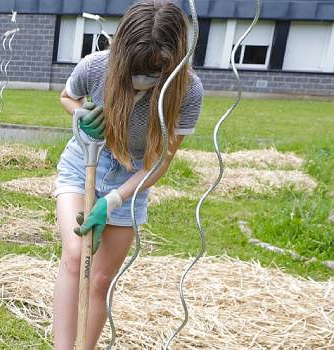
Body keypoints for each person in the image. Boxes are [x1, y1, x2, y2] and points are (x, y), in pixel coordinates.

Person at [51, 0, 204, 348]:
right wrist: (82, 114)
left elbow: (161, 160)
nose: (143, 78)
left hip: (133, 179)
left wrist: (114, 200)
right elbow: (67, 96)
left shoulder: (188, 90)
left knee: (101, 277)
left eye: (155, 70)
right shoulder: (96, 67)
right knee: (77, 257)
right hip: (85, 163)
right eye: (137, 68)